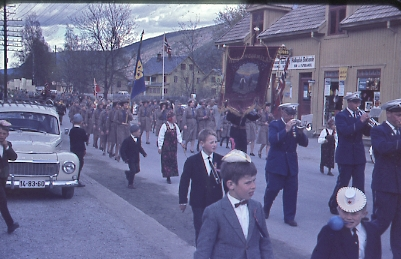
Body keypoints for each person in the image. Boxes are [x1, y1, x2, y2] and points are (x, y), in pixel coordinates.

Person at [194, 149, 274, 259]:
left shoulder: (257, 207)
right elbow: (203, 250)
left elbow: (265, 241)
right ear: (231, 185)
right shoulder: (214, 212)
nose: (253, 186)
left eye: (254, 180)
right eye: (248, 182)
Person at [263, 103, 308, 227]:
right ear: (282, 112)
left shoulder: (295, 126)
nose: (291, 117)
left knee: (291, 191)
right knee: (272, 189)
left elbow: (304, 143)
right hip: (277, 163)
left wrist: (301, 132)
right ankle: (266, 208)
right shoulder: (275, 125)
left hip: (291, 163)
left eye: (293, 114)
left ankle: (289, 217)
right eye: (289, 114)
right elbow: (272, 140)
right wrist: (286, 130)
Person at [328, 92, 371, 215]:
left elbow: (367, 133)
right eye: (355, 102)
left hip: (358, 155)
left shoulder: (359, 115)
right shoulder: (341, 116)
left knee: (359, 184)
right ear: (349, 102)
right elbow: (346, 131)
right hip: (345, 154)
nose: (357, 104)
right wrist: (360, 121)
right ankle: (333, 204)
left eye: (359, 102)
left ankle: (358, 210)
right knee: (343, 183)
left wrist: (367, 123)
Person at [178, 129, 224, 243]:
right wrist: (182, 200)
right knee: (200, 229)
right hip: (198, 201)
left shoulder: (221, 160)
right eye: (211, 142)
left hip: (216, 201)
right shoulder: (192, 161)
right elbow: (184, 181)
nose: (214, 145)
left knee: (215, 229)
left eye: (215, 142)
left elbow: (228, 182)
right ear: (202, 143)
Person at [311, 187, 381, 259]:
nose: (348, 217)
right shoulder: (329, 231)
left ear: (364, 214)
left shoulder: (372, 230)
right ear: (338, 209)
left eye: (354, 213)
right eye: (345, 212)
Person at [370, 99, 401, 258]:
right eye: (398, 115)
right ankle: (368, 250)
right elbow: (382, 148)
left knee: (399, 225)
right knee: (381, 222)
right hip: (385, 184)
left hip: (399, 184)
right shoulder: (379, 130)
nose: (400, 118)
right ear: (388, 114)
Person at [0, 120, 19, 234]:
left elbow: (13, 157)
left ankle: (10, 225)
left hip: (2, 177)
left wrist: (7, 146)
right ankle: (10, 224)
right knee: (2, 200)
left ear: (7, 135)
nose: (1, 136)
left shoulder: (8, 145)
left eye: (3, 134)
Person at [158, 110, 184, 184]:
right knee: (166, 161)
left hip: (173, 147)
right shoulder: (164, 126)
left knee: (172, 161)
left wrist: (181, 143)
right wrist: (160, 147)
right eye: (174, 117)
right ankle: (167, 176)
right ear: (170, 118)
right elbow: (161, 137)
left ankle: (171, 173)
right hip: (166, 147)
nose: (175, 119)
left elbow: (178, 135)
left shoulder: (175, 126)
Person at [120, 124, 147, 189]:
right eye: (138, 132)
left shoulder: (138, 139)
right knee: (133, 170)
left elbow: (139, 147)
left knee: (137, 170)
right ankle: (130, 184)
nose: (139, 133)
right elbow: (122, 150)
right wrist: (125, 158)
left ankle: (128, 174)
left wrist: (143, 153)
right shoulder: (127, 140)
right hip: (130, 158)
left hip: (136, 158)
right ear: (134, 132)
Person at [69, 113, 89, 187]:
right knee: (80, 164)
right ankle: (77, 179)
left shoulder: (72, 130)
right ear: (81, 122)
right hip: (80, 149)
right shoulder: (82, 131)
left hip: (73, 148)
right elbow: (85, 139)